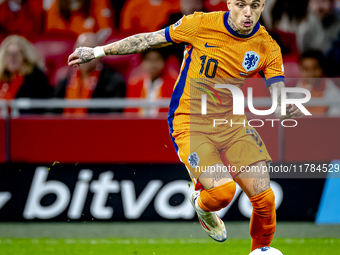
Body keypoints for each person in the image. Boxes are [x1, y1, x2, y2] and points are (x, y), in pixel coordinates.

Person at [67, 0, 303, 252]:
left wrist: (283, 108)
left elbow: (278, 95)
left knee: (265, 198)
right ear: (229, 3)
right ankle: (201, 205)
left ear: (263, 6)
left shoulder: (267, 46)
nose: (248, 12)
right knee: (223, 194)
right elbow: (149, 40)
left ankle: (259, 251)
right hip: (191, 122)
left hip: (231, 124)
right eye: (241, 4)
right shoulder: (200, 23)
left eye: (254, 5)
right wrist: (97, 52)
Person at [55, 32, 126, 115]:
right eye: (79, 49)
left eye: (90, 49)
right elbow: (51, 114)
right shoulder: (64, 82)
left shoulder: (114, 83)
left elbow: (113, 118)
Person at [0, 35, 52, 106]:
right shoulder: (3, 80)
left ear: (25, 57)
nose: (12, 58)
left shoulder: (36, 80)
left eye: (17, 54)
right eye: (8, 54)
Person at [126, 48, 178, 116]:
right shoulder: (134, 84)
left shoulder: (174, 84)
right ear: (142, 62)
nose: (153, 64)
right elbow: (129, 113)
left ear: (165, 61)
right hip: (139, 124)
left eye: (157, 59)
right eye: (149, 59)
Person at [294, 50, 340, 116]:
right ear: (300, 70)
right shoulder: (295, 93)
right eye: (306, 69)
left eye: (315, 68)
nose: (311, 73)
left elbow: (336, 113)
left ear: (322, 68)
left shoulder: (331, 89)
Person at [45, 0, 114, 42]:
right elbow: (51, 40)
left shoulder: (97, 2)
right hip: (65, 59)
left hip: (92, 54)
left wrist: (90, 41)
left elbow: (106, 31)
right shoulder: (55, 7)